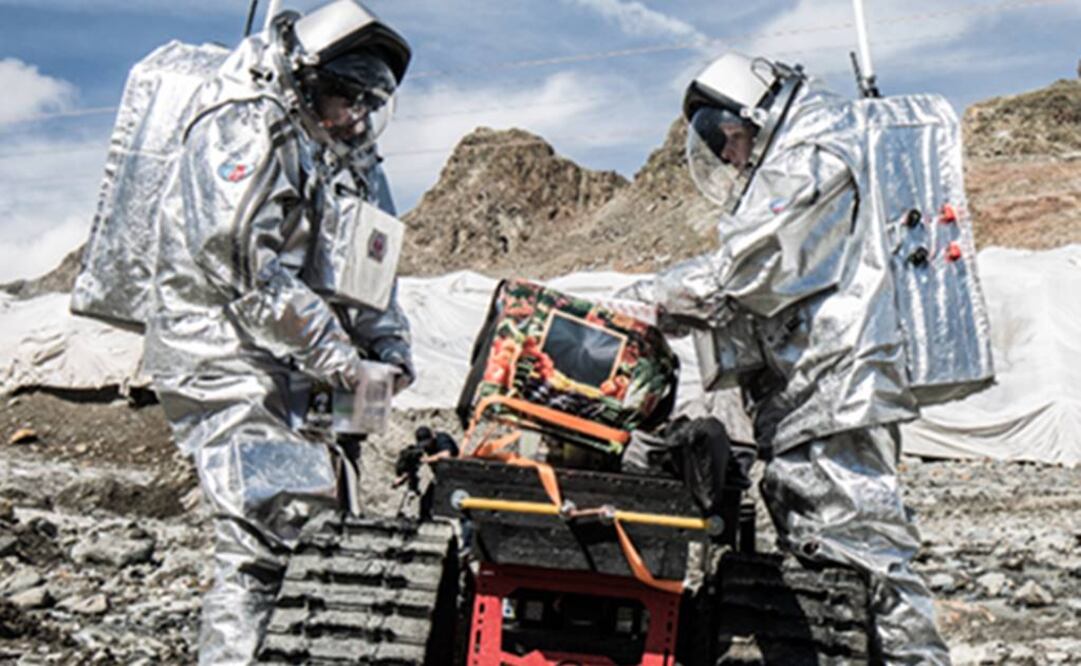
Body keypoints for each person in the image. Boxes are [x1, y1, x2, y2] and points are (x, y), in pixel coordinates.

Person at [624, 53, 956, 664]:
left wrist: (646, 300)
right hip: (809, 399)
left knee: (865, 557)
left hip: (835, 392)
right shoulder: (802, 151)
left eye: (732, 139)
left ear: (756, 112)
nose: (731, 156)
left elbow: (752, 266)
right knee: (826, 558)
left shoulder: (815, 151)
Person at [141, 1, 414, 663]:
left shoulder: (350, 160)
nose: (355, 112)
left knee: (326, 528)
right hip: (227, 352)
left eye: (367, 100)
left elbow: (370, 265)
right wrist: (338, 356)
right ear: (305, 79)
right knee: (264, 534)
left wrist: (388, 349)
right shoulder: (245, 126)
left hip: (308, 369)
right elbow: (238, 261)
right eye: (344, 95)